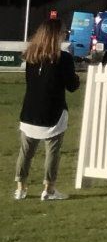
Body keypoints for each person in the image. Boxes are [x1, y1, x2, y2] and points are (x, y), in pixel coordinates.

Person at [16, 18, 78, 202]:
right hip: (53, 111)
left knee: (26, 152)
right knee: (52, 151)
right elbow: (72, 86)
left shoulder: (31, 56)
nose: (63, 36)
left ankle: (20, 187)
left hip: (30, 110)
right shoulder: (63, 58)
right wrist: (74, 77)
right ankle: (49, 189)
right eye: (63, 33)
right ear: (56, 35)